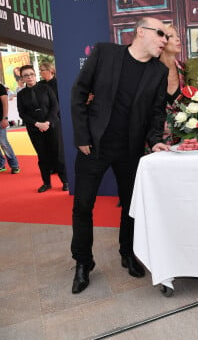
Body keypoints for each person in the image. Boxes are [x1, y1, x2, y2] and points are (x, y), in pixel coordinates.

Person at [69, 17, 170, 294]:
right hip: (94, 146)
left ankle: (128, 253)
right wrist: (82, 137)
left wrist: (154, 141)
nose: (165, 40)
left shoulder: (159, 71)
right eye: (160, 33)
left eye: (167, 36)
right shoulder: (104, 52)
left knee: (130, 205)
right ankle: (83, 262)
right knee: (83, 206)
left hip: (130, 148)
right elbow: (79, 93)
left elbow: (156, 112)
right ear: (140, 32)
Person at [17, 65, 67, 192]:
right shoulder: (21, 94)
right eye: (26, 75)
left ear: (35, 75)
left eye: (31, 74)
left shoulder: (46, 88)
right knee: (42, 156)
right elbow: (22, 113)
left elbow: (55, 106)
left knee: (58, 154)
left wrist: (47, 122)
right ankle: (46, 183)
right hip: (34, 129)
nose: (29, 77)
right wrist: (37, 124)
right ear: (22, 78)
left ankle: (65, 181)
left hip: (52, 126)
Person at [159, 23, 185, 145]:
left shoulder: (185, 70)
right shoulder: (148, 72)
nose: (178, 39)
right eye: (171, 36)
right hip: (155, 143)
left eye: (178, 36)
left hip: (183, 142)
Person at [0, 82, 20, 174]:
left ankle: (14, 165)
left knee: (3, 142)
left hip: (0, 120)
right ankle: (1, 164)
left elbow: (5, 104)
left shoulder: (0, 87)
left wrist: (5, 118)